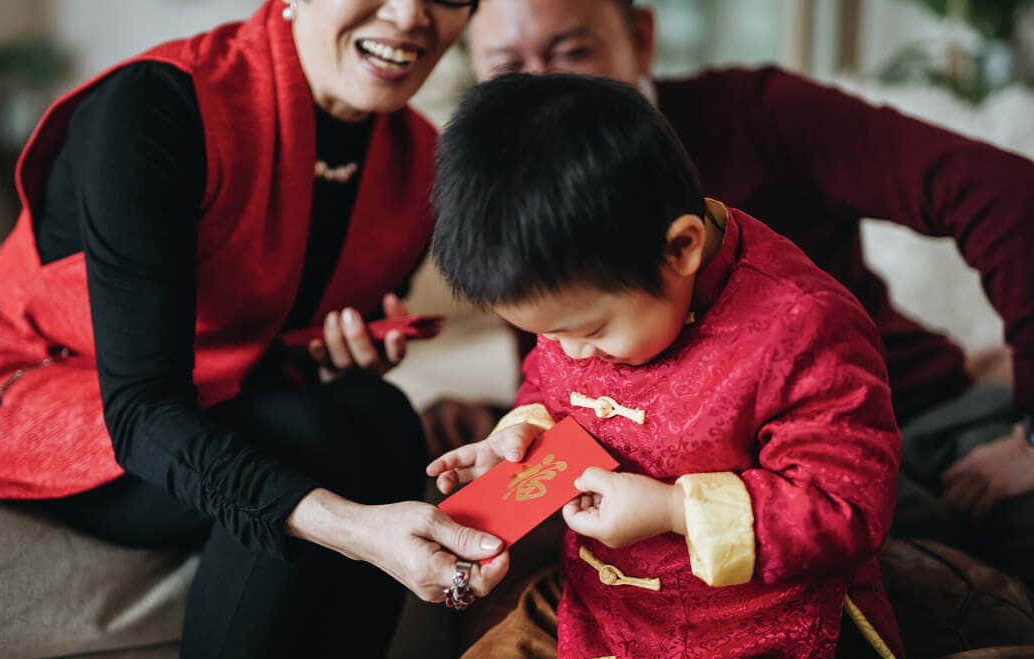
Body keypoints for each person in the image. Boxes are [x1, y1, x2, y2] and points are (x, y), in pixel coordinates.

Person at [0, 1, 510, 659]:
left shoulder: (416, 159)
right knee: (300, 444)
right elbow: (143, 414)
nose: (412, 14)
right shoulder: (158, 106)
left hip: (227, 389)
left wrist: (331, 361)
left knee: (380, 418)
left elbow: (271, 331)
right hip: (60, 388)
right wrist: (353, 528)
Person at [421, 0, 1034, 584]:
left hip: (913, 417)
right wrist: (506, 425)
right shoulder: (502, 197)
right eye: (506, 68)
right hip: (734, 488)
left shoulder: (760, 114)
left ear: (641, 39)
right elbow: (581, 379)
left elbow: (1007, 195)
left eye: (572, 52)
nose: (542, 92)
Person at [426, 72, 904, 659]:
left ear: (680, 248)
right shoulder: (588, 295)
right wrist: (513, 439)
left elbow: (846, 503)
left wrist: (675, 511)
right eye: (547, 335)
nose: (572, 353)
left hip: (755, 632)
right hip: (602, 603)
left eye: (587, 331)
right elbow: (550, 388)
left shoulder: (803, 325)